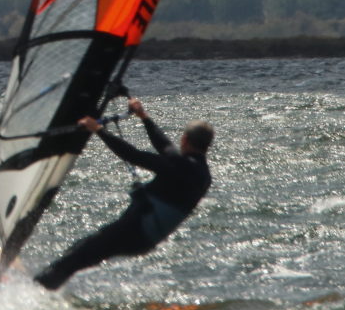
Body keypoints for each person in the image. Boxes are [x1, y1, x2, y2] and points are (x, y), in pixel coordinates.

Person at [33, 96, 213, 291]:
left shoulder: (180, 166)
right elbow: (166, 148)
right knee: (80, 251)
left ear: (184, 140)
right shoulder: (202, 174)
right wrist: (144, 117)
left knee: (77, 255)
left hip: (134, 231)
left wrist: (98, 130)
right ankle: (44, 287)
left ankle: (34, 290)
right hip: (145, 238)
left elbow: (133, 155)